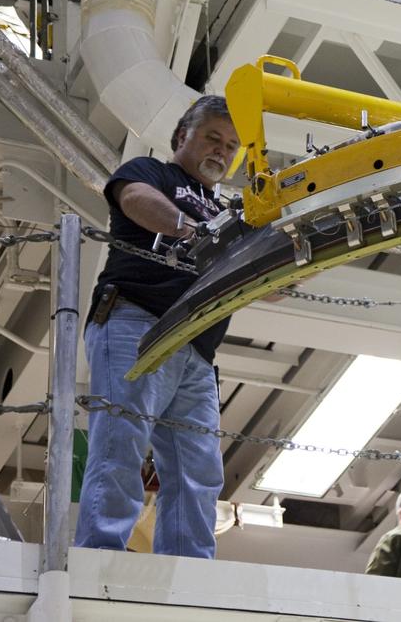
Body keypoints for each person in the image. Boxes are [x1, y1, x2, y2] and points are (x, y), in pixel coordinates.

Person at [74, 96, 240, 558]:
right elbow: (135, 200)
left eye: (230, 145)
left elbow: (272, 284)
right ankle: (101, 553)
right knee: (121, 442)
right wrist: (196, 232)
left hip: (199, 348)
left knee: (199, 466)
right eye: (212, 137)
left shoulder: (229, 212)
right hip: (136, 320)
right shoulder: (151, 173)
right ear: (181, 137)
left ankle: (189, 568)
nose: (221, 151)